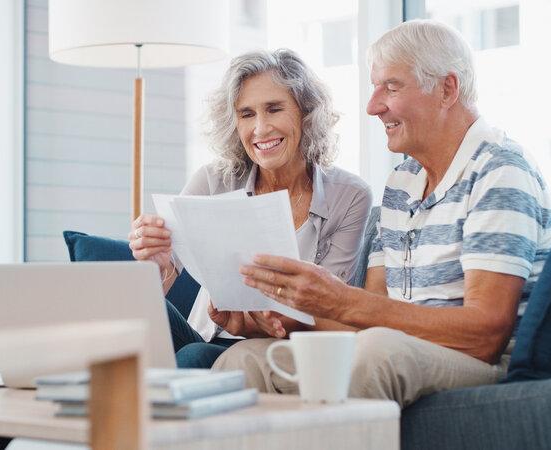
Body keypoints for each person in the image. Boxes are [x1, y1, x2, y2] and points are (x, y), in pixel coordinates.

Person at [212, 20, 551, 408]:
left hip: (483, 361)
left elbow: (486, 333)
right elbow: (365, 316)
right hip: (397, 348)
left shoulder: (499, 170)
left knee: (377, 352)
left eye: (391, 87)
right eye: (374, 87)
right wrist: (285, 314)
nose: (373, 106)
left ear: (447, 89)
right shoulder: (402, 182)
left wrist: (341, 299)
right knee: (242, 361)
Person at [128, 49, 373, 369]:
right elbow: (165, 280)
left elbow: (330, 311)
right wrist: (157, 263)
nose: (260, 128)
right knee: (131, 324)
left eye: (274, 109)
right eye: (246, 114)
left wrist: (258, 321)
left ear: (305, 112)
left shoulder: (349, 196)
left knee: (194, 359)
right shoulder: (213, 180)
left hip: (283, 347)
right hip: (203, 334)